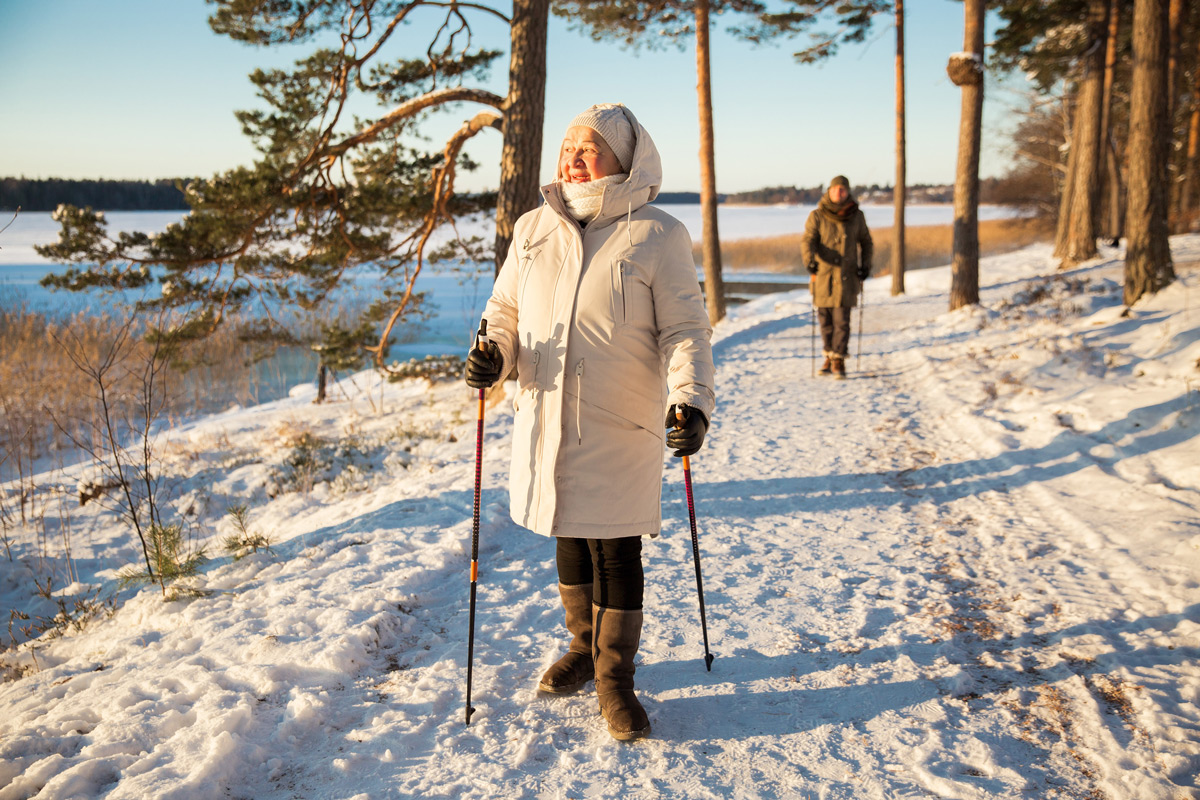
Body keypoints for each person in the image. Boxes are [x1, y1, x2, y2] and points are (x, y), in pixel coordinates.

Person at [464, 103, 716, 742]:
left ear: (625, 161)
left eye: (590, 146)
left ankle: (615, 679)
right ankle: (582, 646)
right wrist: (495, 353)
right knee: (567, 534)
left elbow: (685, 329)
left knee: (615, 546)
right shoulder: (533, 228)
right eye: (569, 143)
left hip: (620, 419)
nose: (573, 154)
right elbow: (505, 308)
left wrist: (691, 401)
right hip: (546, 412)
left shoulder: (658, 234)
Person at [800, 175, 873, 379]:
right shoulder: (817, 215)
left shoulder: (856, 216)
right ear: (829, 192)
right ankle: (828, 356)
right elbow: (807, 241)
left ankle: (838, 358)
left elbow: (866, 242)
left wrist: (865, 266)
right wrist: (810, 261)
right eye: (835, 190)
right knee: (826, 320)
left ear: (847, 192)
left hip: (847, 277)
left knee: (842, 320)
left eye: (842, 190)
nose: (838, 193)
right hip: (823, 276)